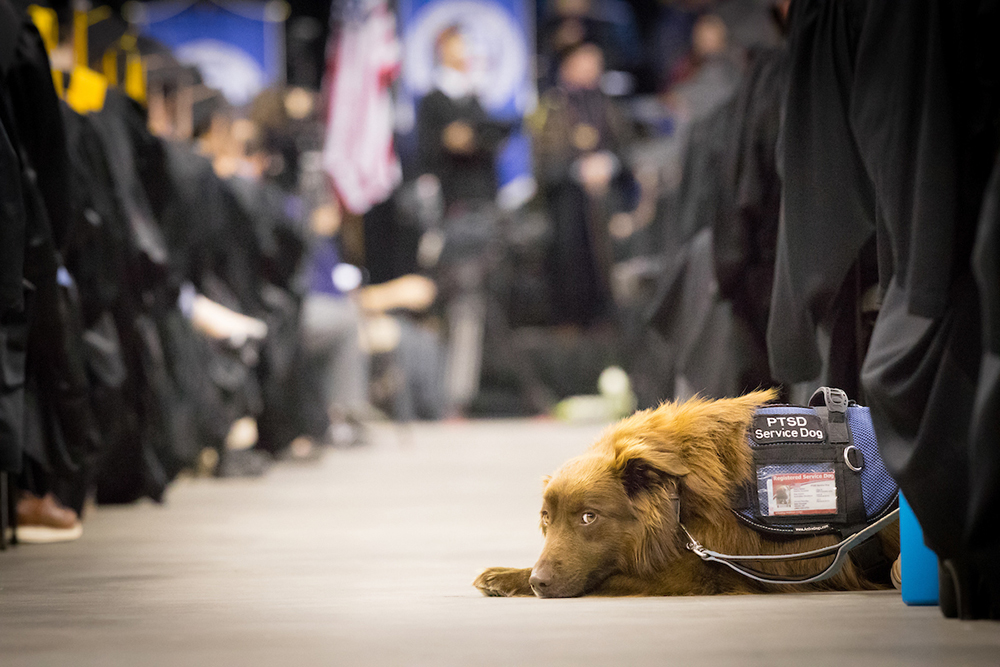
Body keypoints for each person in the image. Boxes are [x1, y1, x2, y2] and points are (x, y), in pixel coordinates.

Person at [533, 42, 635, 326]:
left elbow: (627, 152)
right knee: (570, 267)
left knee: (609, 265)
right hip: (567, 207)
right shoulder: (552, 108)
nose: (593, 68)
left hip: (605, 203)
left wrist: (608, 164)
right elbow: (543, 164)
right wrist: (580, 170)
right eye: (586, 61)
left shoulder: (608, 105)